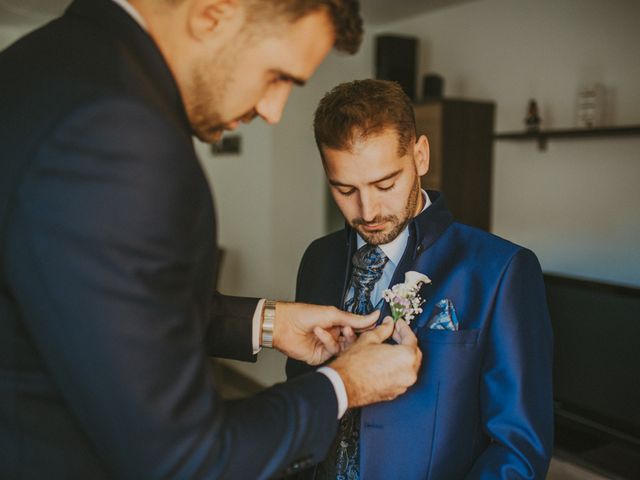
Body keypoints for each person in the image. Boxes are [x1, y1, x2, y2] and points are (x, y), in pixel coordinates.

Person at [0, 1, 423, 478]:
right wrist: (343, 384)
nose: (273, 110)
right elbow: (185, 457)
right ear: (214, 13)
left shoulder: (46, 64)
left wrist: (268, 322)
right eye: (276, 76)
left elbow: (86, 305)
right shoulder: (117, 130)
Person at [287, 79, 554, 479]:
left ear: (421, 156)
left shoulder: (501, 271)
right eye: (345, 189)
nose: (368, 210)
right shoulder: (316, 259)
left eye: (385, 184)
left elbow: (518, 450)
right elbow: (304, 395)